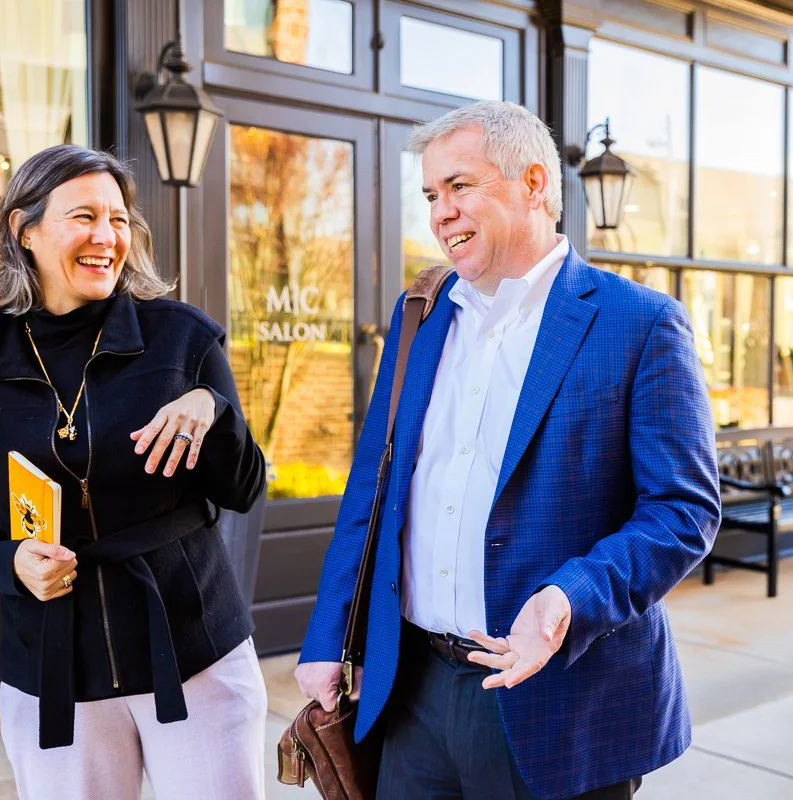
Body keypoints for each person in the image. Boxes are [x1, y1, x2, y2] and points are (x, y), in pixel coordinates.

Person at [295, 100, 720, 800]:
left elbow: (681, 510)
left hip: (559, 696)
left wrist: (566, 598)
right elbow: (372, 492)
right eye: (431, 195)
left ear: (532, 183)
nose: (440, 212)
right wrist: (326, 637)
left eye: (460, 186)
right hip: (411, 689)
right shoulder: (421, 318)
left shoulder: (639, 323)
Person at [0, 144, 268, 800]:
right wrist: (10, 563)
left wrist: (212, 408)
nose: (107, 236)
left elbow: (243, 488)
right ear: (25, 230)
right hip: (53, 671)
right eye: (84, 216)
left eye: (118, 220)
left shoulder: (183, 340)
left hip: (193, 652)